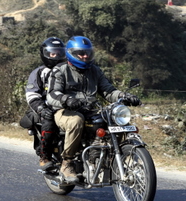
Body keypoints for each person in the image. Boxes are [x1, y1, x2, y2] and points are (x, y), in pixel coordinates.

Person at [47, 36, 141, 183]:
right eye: (81, 53)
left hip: (90, 109)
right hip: (65, 111)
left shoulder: (95, 70)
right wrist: (67, 100)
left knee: (115, 119)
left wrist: (124, 96)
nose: (85, 56)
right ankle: (67, 163)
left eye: (88, 53)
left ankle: (108, 157)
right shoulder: (60, 70)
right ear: (71, 53)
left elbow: (108, 91)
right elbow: (52, 94)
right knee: (76, 121)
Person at [21, 37, 66, 171]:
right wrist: (41, 108)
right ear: (45, 54)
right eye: (52, 53)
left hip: (64, 106)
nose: (56, 56)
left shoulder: (67, 70)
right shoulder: (39, 72)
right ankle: (44, 156)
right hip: (45, 108)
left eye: (59, 52)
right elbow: (31, 95)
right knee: (48, 121)